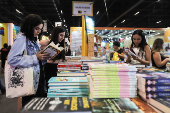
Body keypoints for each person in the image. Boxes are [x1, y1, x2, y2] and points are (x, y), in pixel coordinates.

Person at [7, 14, 50, 107]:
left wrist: (44, 57)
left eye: (40, 29)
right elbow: (12, 59)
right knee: (30, 107)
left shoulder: (33, 40)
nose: (39, 31)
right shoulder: (21, 38)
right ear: (29, 27)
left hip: (38, 80)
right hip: (29, 81)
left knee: (39, 106)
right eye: (37, 28)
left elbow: (36, 58)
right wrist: (35, 57)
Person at [39, 26, 65, 92]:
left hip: (59, 70)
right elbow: (45, 59)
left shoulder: (61, 45)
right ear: (56, 34)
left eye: (63, 36)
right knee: (51, 89)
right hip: (49, 70)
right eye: (61, 35)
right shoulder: (47, 43)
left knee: (58, 90)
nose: (62, 37)